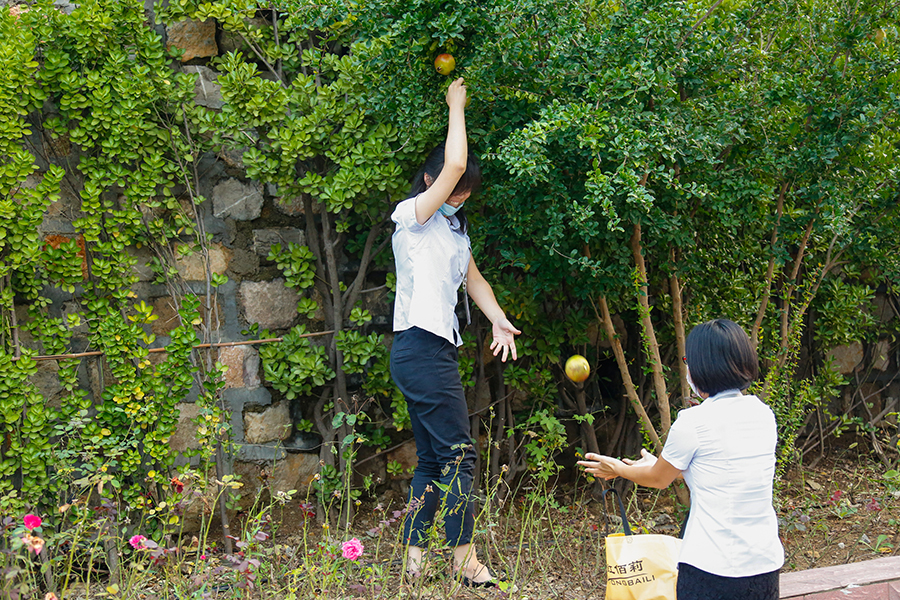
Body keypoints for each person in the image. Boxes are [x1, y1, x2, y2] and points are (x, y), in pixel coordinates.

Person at [389, 77, 521, 587]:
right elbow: (457, 163)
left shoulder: (451, 231)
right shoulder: (414, 218)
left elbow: (475, 280)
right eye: (453, 190)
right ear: (432, 181)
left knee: (432, 459)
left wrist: (497, 316)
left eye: (465, 196)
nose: (459, 197)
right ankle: (464, 560)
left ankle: (414, 562)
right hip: (421, 347)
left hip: (429, 351)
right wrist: (456, 105)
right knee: (460, 456)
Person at [578, 319, 783, 600]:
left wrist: (619, 468)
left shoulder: (693, 421)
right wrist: (659, 465)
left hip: (712, 568)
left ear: (702, 367)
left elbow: (658, 479)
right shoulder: (762, 413)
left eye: (688, 361)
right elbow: (721, 470)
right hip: (764, 564)